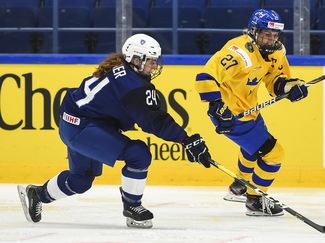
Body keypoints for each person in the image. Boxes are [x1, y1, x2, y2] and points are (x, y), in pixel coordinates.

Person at [17, 33, 212, 229]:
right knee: (139, 154)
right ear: (136, 59)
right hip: (82, 126)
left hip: (77, 123)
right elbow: (153, 121)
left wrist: (186, 140)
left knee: (81, 180)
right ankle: (133, 207)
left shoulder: (126, 74)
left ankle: (37, 194)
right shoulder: (130, 83)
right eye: (151, 61)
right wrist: (187, 140)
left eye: (155, 61)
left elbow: (148, 116)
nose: (155, 66)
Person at [195, 9, 308, 216]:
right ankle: (255, 200)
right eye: (266, 34)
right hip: (230, 115)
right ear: (253, 32)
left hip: (250, 111)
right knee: (274, 153)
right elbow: (204, 77)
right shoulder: (238, 52)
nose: (271, 39)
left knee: (253, 149)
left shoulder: (277, 51)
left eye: (275, 35)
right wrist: (215, 106)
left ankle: (239, 186)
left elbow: (275, 81)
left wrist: (291, 88)